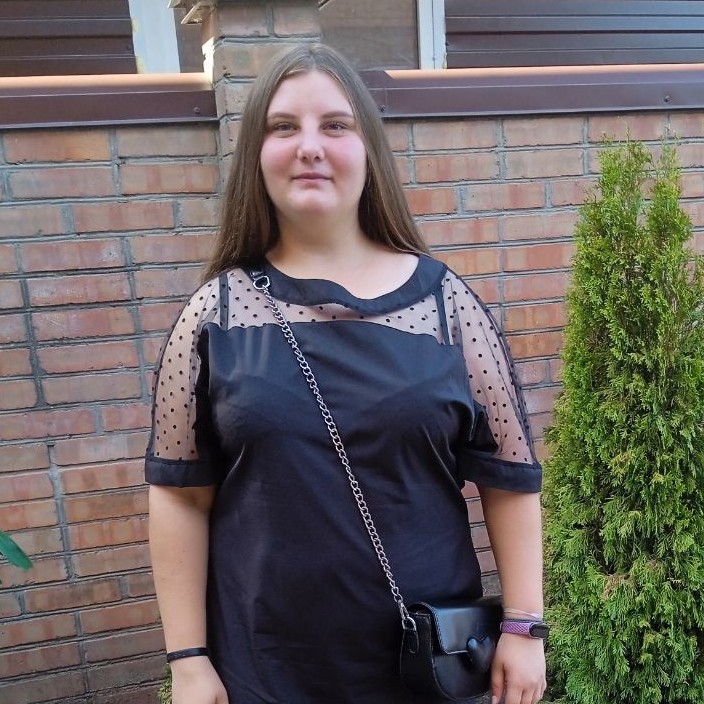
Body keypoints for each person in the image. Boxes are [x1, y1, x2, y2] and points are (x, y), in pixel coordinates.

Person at [146, 43, 546, 704]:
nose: (310, 146)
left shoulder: (447, 308)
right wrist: (188, 660)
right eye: (283, 126)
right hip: (266, 672)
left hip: (427, 667)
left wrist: (524, 627)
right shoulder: (215, 316)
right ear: (256, 155)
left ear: (368, 149)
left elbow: (510, 480)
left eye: (335, 124)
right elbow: (180, 495)